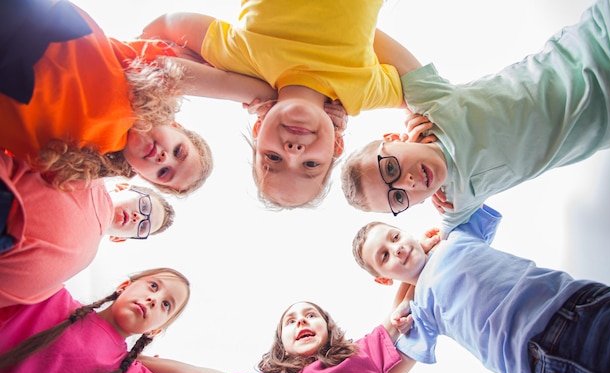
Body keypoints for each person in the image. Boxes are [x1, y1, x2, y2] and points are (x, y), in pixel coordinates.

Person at [341, 0, 610, 236]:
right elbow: (438, 261)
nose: (409, 182)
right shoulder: (457, 205)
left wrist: (330, 106)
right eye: (399, 198)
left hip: (607, 39)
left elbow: (358, 32)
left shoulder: (433, 106)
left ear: (392, 139)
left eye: (391, 168)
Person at [140, 0, 422, 208]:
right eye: (310, 164)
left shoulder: (241, 59)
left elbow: (164, 31)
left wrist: (250, 89)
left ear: (259, 128)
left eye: (273, 159)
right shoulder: (361, 92)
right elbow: (424, 95)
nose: (293, 151)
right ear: (337, 145)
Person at [352, 204, 610, 373]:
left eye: (395, 236)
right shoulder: (419, 311)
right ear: (382, 279)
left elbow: (465, 195)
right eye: (384, 256)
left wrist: (438, 235)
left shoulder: (455, 236)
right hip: (539, 365)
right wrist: (396, 311)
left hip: (579, 303)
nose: (397, 248)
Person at [0, 0, 277, 196]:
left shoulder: (82, 165)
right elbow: (224, 83)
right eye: (179, 152)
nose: (164, 159)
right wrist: (274, 101)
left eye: (164, 173)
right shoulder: (146, 80)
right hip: (27, 23)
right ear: (175, 126)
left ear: (142, 176)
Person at [0, 267, 227, 373]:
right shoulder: (52, 300)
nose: (154, 299)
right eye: (154, 286)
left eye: (166, 305)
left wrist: (146, 361)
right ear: (123, 287)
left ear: (156, 331)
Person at [139, 299, 419, 373]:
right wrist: (138, 362)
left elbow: (404, 308)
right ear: (282, 346)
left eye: (311, 315)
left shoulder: (361, 353)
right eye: (291, 321)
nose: (301, 322)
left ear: (328, 326)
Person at [0, 152, 176, 308]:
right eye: (144, 206)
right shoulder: (89, 173)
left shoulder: (80, 260)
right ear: (122, 187)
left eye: (144, 226)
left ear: (119, 239)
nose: (139, 216)